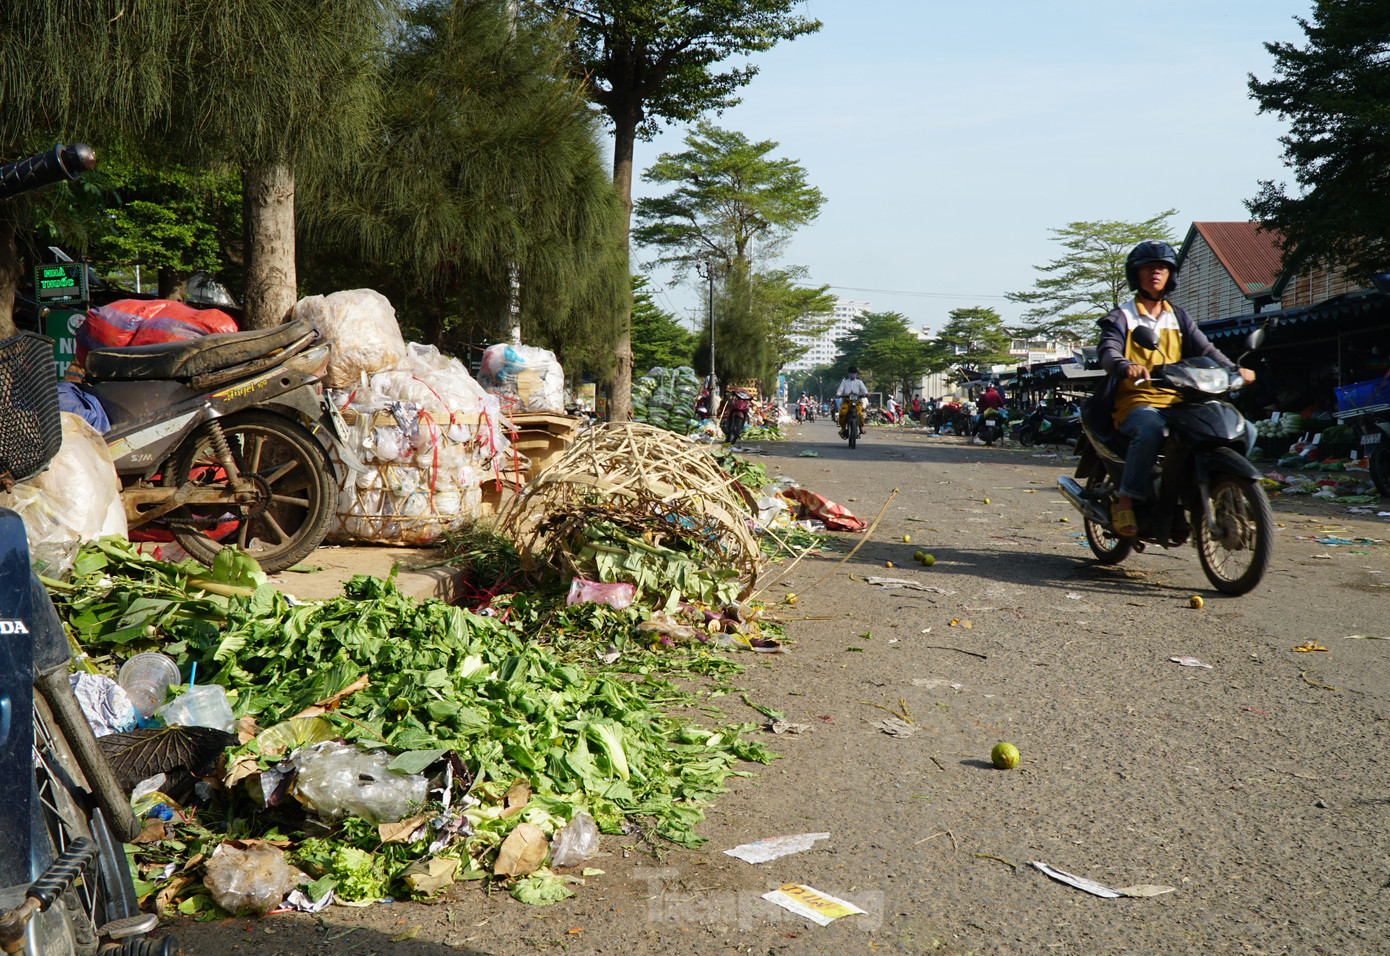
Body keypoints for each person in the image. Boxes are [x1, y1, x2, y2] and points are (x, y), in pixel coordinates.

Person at [1094, 240, 1256, 537]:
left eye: (1162, 268)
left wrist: (1234, 369)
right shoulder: (1123, 316)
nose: (1155, 273)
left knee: (1247, 428)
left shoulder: (1178, 317)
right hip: (1137, 400)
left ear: (1171, 275)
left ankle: (1221, 490)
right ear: (1136, 275)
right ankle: (1126, 500)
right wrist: (1123, 365)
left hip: (1180, 400)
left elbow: (1207, 350)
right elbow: (1107, 349)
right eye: (1148, 268)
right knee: (1150, 429)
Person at [835, 366, 870, 437]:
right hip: (846, 400)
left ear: (856, 374)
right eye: (851, 373)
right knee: (842, 412)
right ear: (848, 374)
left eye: (854, 373)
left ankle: (861, 428)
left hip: (856, 400)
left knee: (859, 413)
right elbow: (840, 390)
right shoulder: (844, 382)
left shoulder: (859, 382)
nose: (852, 375)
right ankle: (843, 428)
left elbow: (864, 389)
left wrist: (866, 393)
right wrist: (838, 394)